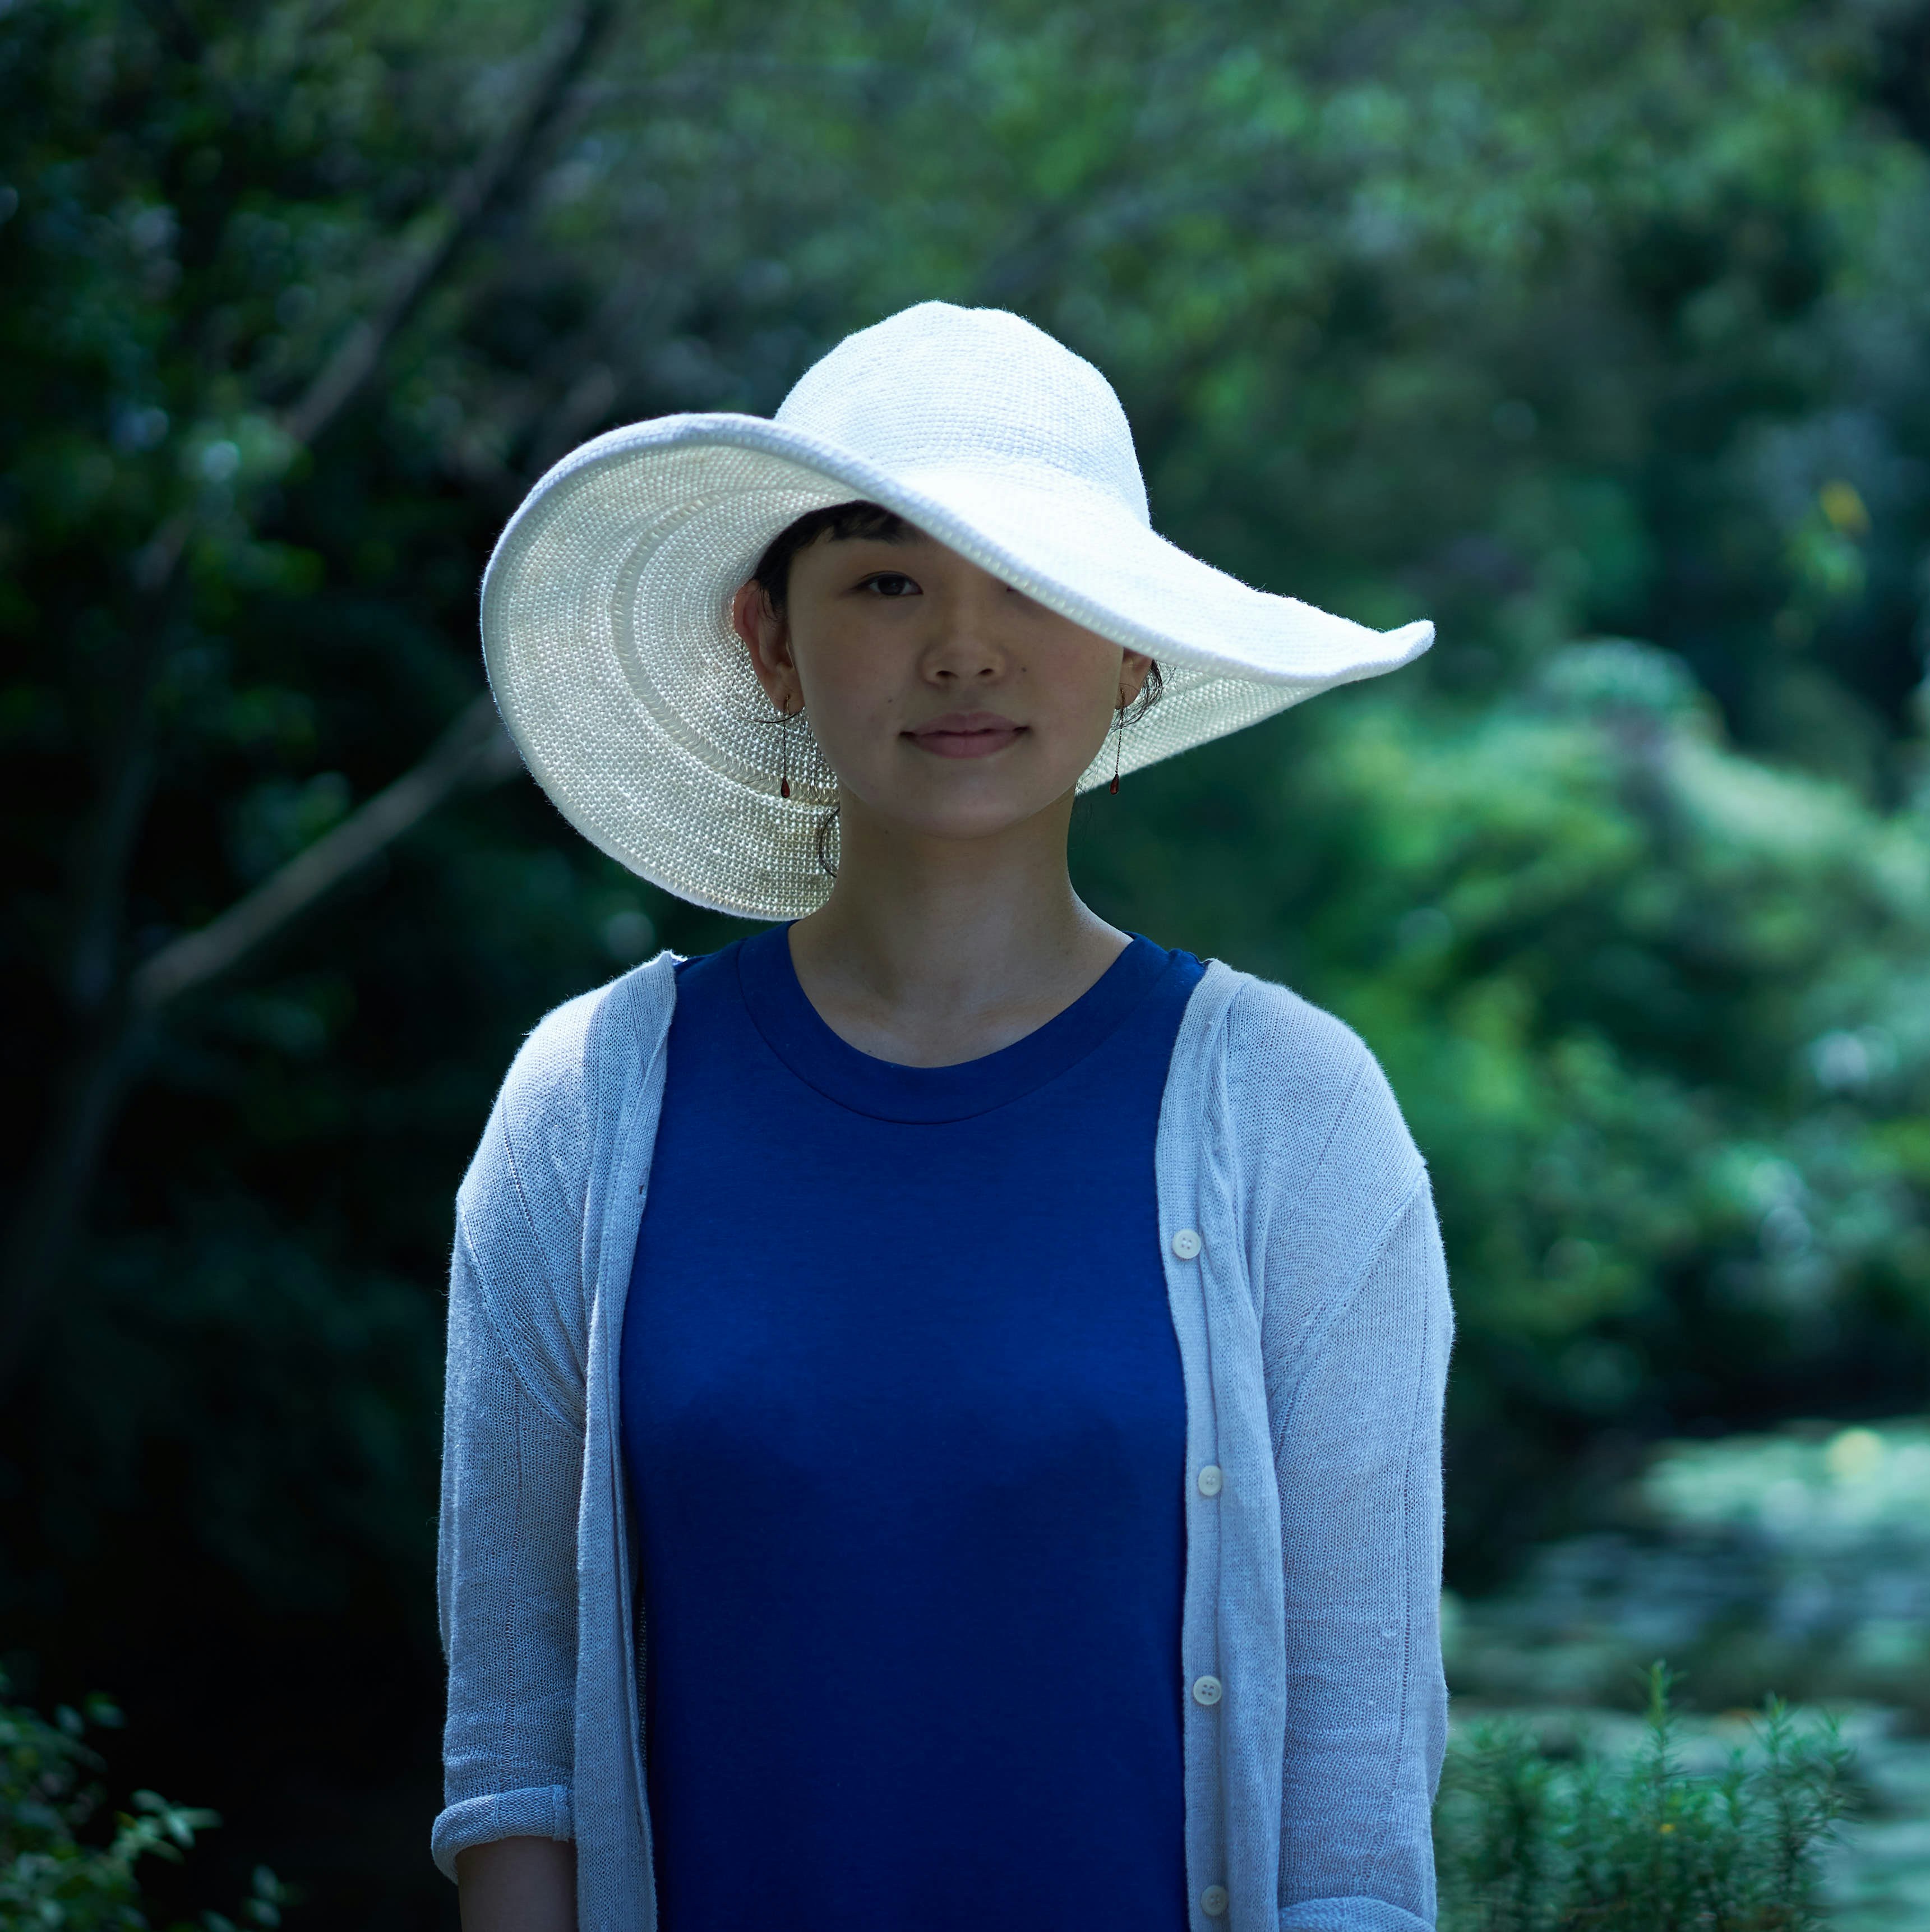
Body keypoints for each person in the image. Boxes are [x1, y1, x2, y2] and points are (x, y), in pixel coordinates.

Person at [433, 302, 1452, 1932]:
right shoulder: (587, 1110)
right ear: (772, 642)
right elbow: (512, 1769)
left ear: (1129, 647)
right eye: (888, 580)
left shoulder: (1297, 1121)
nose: (963, 650)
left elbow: (1354, 1808)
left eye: (1031, 585)